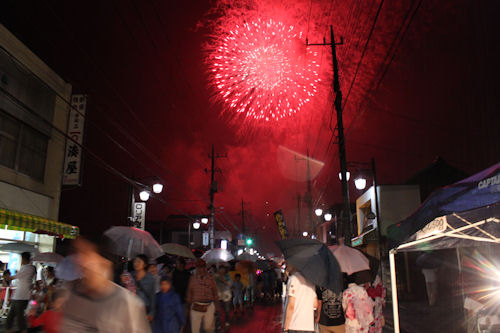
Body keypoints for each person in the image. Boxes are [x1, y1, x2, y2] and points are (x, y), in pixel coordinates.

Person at [60, 237, 151, 332]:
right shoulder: (72, 297)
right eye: (76, 252)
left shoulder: (128, 304)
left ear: (104, 262)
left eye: (86, 253)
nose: (79, 260)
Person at [5, 251, 36, 333]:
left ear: (24, 259)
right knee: (12, 317)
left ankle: (22, 330)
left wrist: (9, 277)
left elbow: (15, 277)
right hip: (19, 295)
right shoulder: (27, 268)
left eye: (21, 258)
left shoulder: (28, 268)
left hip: (22, 296)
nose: (21, 261)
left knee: (19, 318)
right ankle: (10, 330)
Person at [283, 264, 318, 333]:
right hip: (309, 326)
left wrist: (285, 328)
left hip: (294, 325)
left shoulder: (293, 279)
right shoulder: (311, 281)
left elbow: (291, 306)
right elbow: (315, 304)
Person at [186, 259, 218, 333]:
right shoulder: (193, 279)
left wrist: (217, 307)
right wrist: (188, 307)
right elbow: (189, 293)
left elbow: (215, 292)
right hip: (196, 306)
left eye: (202, 267)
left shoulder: (210, 278)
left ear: (205, 267)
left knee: (208, 328)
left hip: (209, 305)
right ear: (196, 268)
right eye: (198, 267)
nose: (200, 269)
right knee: (195, 330)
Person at [133, 254, 156, 322]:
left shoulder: (150, 278)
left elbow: (152, 296)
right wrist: (123, 281)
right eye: (135, 261)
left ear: (145, 264)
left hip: (144, 309)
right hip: (131, 307)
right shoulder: (130, 275)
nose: (136, 263)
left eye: (139, 261)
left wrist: (152, 313)